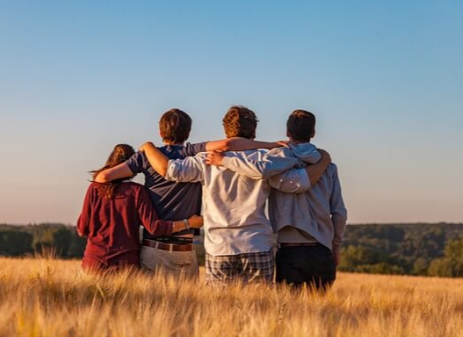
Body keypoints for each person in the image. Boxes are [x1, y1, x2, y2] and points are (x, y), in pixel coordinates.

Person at [140, 106, 331, 285]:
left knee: (220, 312)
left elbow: (170, 170)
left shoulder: (206, 159)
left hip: (219, 246)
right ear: (254, 132)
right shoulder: (266, 158)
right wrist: (323, 161)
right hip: (257, 243)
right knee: (260, 310)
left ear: (226, 131)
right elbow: (298, 182)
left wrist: (148, 147)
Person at [93, 108, 285, 278]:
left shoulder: (146, 157)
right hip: (185, 249)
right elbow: (227, 145)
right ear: (188, 132)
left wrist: (137, 188)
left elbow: (102, 178)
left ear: (161, 132)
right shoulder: (192, 152)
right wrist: (270, 145)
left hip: (153, 248)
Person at [207, 109, 347, 291]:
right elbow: (339, 213)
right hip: (322, 250)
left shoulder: (275, 162)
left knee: (287, 314)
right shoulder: (328, 167)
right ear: (313, 133)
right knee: (320, 315)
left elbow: (260, 171)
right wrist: (335, 249)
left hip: (289, 251)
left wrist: (224, 160)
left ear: (287, 133)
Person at [77, 144, 203, 274]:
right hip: (125, 265)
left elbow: (82, 229)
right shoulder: (137, 191)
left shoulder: (95, 188)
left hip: (93, 262)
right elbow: (154, 227)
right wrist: (188, 223)